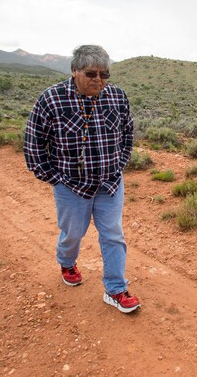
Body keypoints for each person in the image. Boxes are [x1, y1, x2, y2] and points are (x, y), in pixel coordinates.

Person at [23, 44, 140, 313]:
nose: (99, 80)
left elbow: (127, 134)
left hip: (109, 184)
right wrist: (53, 177)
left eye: (104, 74)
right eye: (91, 73)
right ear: (75, 71)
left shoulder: (117, 97)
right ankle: (67, 261)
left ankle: (116, 289)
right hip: (71, 186)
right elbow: (34, 143)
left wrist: (120, 164)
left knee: (112, 234)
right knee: (73, 234)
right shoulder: (51, 99)